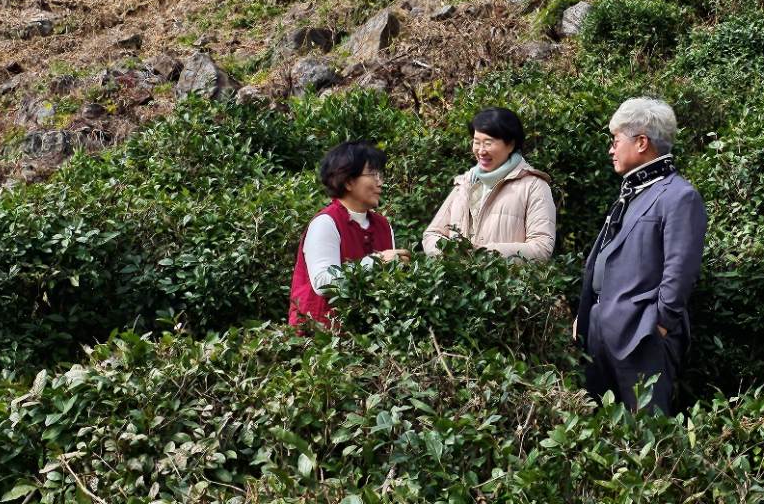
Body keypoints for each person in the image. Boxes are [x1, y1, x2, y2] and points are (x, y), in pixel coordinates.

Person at [573, 97, 707, 414]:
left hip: (642, 334)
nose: (611, 149)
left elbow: (680, 271)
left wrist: (658, 324)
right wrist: (587, 312)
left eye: (616, 141)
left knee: (648, 434)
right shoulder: (632, 191)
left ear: (642, 142)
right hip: (599, 329)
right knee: (600, 430)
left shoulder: (679, 196)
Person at [288, 141, 410, 329]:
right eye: (372, 174)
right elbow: (322, 282)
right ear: (348, 181)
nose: (380, 182)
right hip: (321, 339)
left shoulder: (383, 225)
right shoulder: (325, 223)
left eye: (380, 174)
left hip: (367, 335)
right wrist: (377, 261)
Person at [422, 107, 557, 260]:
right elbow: (432, 234)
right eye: (476, 142)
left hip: (504, 283)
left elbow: (541, 248)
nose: (481, 151)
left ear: (511, 144)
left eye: (488, 143)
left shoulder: (533, 186)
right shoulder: (466, 182)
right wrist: (450, 253)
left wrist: (483, 255)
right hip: (459, 282)